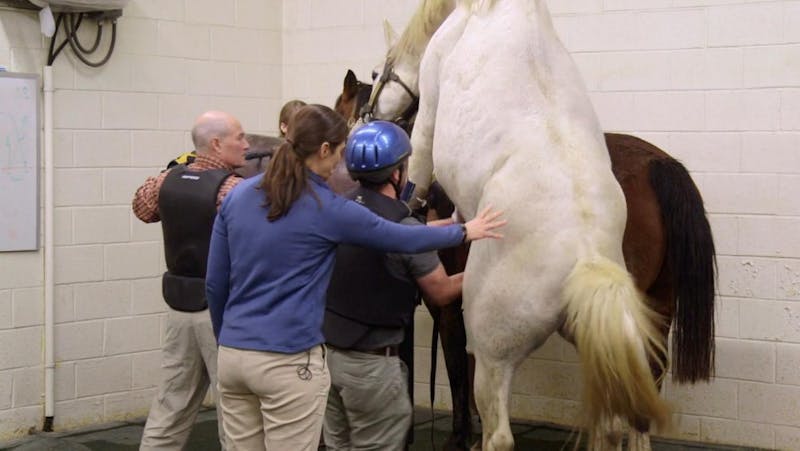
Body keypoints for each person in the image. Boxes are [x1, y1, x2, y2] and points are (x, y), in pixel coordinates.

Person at [205, 104, 505, 451]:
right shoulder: (326, 208)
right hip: (287, 362)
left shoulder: (238, 194)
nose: (342, 163)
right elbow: (399, 236)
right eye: (341, 152)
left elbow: (216, 283)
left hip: (232, 356)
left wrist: (226, 337)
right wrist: (466, 231)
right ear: (324, 150)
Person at [322, 121, 464, 450]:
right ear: (396, 173)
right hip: (373, 370)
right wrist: (484, 274)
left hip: (331, 360)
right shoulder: (404, 226)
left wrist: (457, 224)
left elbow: (391, 229)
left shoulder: (337, 207)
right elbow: (441, 291)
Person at [132, 110, 249, 451]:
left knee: (171, 403)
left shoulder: (165, 180)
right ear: (216, 144)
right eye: (239, 137)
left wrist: (173, 174)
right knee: (236, 412)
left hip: (178, 308)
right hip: (220, 313)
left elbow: (141, 209)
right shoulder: (234, 190)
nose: (247, 144)